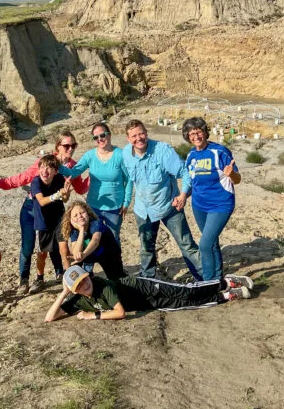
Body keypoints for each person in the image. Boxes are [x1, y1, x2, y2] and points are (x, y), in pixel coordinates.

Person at [0, 130, 89, 291]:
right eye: (66, 146)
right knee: (28, 247)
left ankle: (60, 274)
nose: (70, 149)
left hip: (55, 210)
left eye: (73, 145)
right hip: (32, 209)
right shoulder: (45, 163)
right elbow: (22, 179)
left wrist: (96, 175)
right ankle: (24, 280)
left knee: (57, 245)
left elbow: (80, 188)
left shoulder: (73, 166)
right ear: (58, 146)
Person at [122, 119, 202, 280]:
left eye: (141, 134)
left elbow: (185, 172)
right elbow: (128, 179)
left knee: (186, 244)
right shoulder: (126, 153)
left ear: (146, 133)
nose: (138, 138)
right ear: (128, 139)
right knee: (146, 248)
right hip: (143, 210)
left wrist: (183, 195)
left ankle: (205, 277)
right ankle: (148, 279)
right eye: (134, 136)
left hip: (169, 207)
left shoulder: (162, 150)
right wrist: (125, 202)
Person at [44, 265, 253, 322]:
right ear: (74, 290)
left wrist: (93, 315)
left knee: (185, 292)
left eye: (84, 279)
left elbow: (120, 313)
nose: (85, 284)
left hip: (143, 287)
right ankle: (226, 296)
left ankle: (226, 282)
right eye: (78, 285)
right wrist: (63, 293)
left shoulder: (102, 285)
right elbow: (49, 318)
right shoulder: (78, 300)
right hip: (145, 303)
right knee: (183, 305)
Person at [182, 116, 241, 284]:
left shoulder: (219, 151)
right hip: (199, 205)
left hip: (220, 204)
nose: (196, 136)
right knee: (212, 243)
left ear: (205, 132)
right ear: (188, 136)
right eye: (192, 134)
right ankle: (217, 280)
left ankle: (207, 282)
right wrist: (183, 196)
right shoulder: (191, 155)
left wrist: (232, 174)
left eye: (199, 132)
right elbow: (193, 182)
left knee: (205, 245)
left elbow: (237, 180)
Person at [59, 122, 132, 244]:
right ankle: (92, 258)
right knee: (91, 238)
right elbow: (74, 172)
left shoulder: (120, 155)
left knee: (113, 238)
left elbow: (129, 179)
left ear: (109, 135)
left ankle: (114, 257)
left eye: (102, 135)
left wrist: (126, 203)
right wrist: (57, 165)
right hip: (93, 207)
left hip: (115, 207)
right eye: (96, 137)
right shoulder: (90, 155)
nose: (100, 139)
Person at [30, 154, 72, 294]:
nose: (45, 171)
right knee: (42, 253)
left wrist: (66, 191)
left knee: (64, 250)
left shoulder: (59, 179)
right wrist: (58, 195)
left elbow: (65, 199)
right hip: (43, 222)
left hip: (59, 219)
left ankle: (69, 278)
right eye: (42, 167)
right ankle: (39, 278)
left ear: (55, 171)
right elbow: (41, 201)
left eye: (49, 168)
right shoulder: (36, 182)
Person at [61, 201, 127, 280]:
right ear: (71, 220)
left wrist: (84, 254)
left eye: (82, 212)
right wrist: (81, 230)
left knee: (117, 279)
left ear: (88, 213)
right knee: (77, 266)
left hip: (108, 253)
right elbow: (76, 253)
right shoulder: (74, 231)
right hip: (89, 256)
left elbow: (95, 240)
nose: (80, 216)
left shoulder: (96, 224)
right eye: (75, 215)